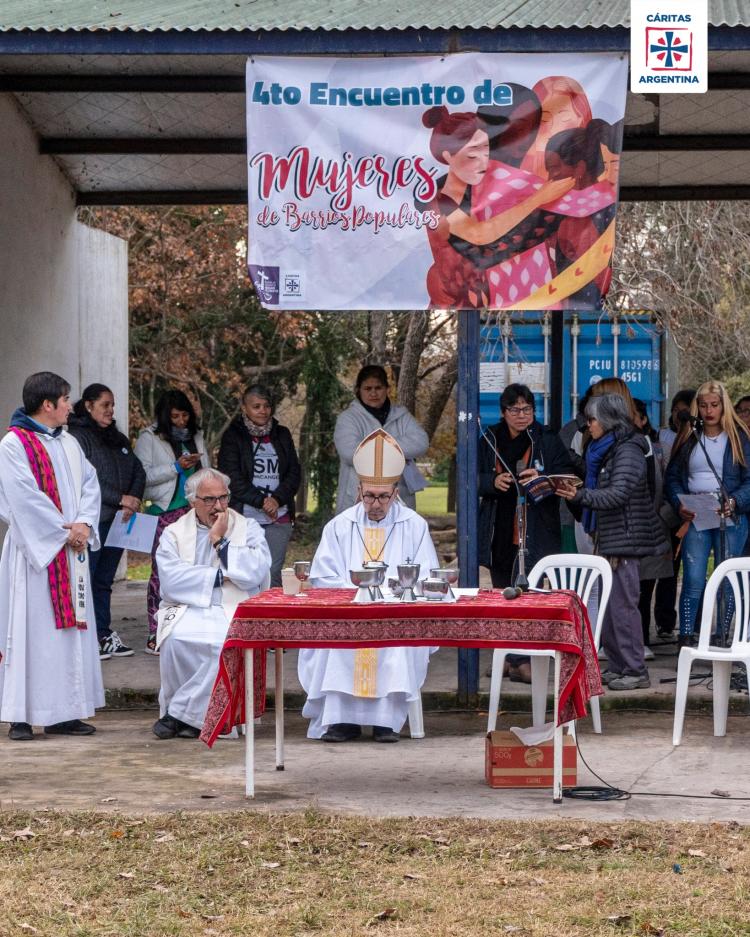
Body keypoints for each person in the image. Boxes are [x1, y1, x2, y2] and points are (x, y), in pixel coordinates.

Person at [300, 429, 439, 742]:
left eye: (383, 497)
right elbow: (323, 578)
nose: (375, 504)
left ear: (395, 492)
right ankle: (340, 721)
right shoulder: (339, 526)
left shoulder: (414, 526)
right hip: (347, 613)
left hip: (394, 615)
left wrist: (390, 595)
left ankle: (385, 722)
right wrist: (357, 597)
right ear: (358, 490)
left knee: (396, 643)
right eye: (369, 496)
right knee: (336, 641)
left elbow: (424, 576)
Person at [0, 371, 104, 741]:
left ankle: (64, 711)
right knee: (31, 634)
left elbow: (90, 484)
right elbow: (22, 498)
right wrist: (65, 531)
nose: (70, 407)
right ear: (47, 405)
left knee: (68, 634)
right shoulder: (14, 444)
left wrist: (85, 524)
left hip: (70, 552)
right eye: (65, 400)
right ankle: (22, 715)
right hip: (35, 555)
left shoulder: (69, 442)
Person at [559, 394, 668, 691]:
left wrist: (579, 495)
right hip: (610, 537)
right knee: (609, 608)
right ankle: (619, 665)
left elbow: (618, 494)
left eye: (592, 419)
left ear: (607, 420)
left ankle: (635, 670)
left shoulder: (628, 450)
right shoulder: (607, 448)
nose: (588, 425)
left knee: (623, 608)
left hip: (625, 540)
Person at [152, 468, 271, 739]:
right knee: (175, 640)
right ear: (192, 501)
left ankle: (179, 715)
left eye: (223, 497)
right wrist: (220, 576)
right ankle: (196, 718)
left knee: (222, 644)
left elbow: (256, 570)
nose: (218, 506)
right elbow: (171, 579)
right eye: (209, 499)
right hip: (188, 606)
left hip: (233, 606)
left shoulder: (247, 527)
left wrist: (220, 541)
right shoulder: (174, 532)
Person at [478, 383, 576, 682]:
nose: (522, 415)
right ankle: (509, 657)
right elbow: (469, 475)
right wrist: (491, 482)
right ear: (503, 412)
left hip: (535, 526)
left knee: (528, 594)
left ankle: (521, 659)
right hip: (499, 527)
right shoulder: (489, 438)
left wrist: (541, 476)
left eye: (527, 409)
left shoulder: (546, 438)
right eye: (515, 410)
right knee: (502, 594)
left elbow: (568, 475)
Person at [664, 380, 750, 648]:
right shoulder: (690, 436)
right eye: (703, 406)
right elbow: (672, 477)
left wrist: (734, 501)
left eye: (714, 405)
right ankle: (686, 637)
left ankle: (722, 637)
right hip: (696, 514)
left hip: (730, 516)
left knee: (727, 579)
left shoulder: (739, 437)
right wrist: (679, 502)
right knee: (692, 579)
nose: (709, 411)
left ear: (724, 406)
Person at [68, 383, 146, 660]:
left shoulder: (117, 437)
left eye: (112, 405)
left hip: (119, 522)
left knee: (104, 581)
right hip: (94, 522)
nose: (111, 410)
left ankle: (102, 634)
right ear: (89, 406)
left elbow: (138, 470)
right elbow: (86, 480)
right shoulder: (77, 438)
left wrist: (133, 498)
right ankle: (86, 636)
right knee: (86, 579)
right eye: (105, 405)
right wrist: (120, 498)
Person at [134, 390, 209, 655]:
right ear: (165, 416)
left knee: (197, 569)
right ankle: (156, 631)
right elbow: (142, 477)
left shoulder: (196, 436)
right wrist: (176, 467)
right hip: (164, 511)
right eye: (175, 416)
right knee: (162, 572)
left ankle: (189, 629)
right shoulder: (149, 437)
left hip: (196, 511)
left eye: (185, 415)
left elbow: (207, 470)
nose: (181, 421)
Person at [218, 384, 300, 588]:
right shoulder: (232, 436)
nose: (262, 411)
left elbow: (294, 473)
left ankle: (270, 609)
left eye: (266, 406)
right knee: (244, 572)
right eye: (256, 406)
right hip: (244, 517)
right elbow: (231, 477)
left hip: (279, 516)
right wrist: (262, 501)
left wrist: (276, 500)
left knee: (272, 572)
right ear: (244, 408)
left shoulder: (282, 434)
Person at [334, 365, 429, 514]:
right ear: (358, 390)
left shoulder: (402, 416)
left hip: (400, 502)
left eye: (378, 388)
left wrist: (374, 447)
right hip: (357, 502)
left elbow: (421, 443)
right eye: (368, 388)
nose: (373, 393)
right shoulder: (348, 418)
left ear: (387, 389)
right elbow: (350, 453)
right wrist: (396, 450)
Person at [632, 398, 676, 654]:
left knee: (646, 587)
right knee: (628, 589)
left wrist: (664, 516)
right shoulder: (616, 448)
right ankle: (630, 643)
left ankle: (642, 641)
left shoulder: (659, 448)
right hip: (628, 530)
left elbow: (672, 484)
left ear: (643, 419)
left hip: (654, 527)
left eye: (633, 416)